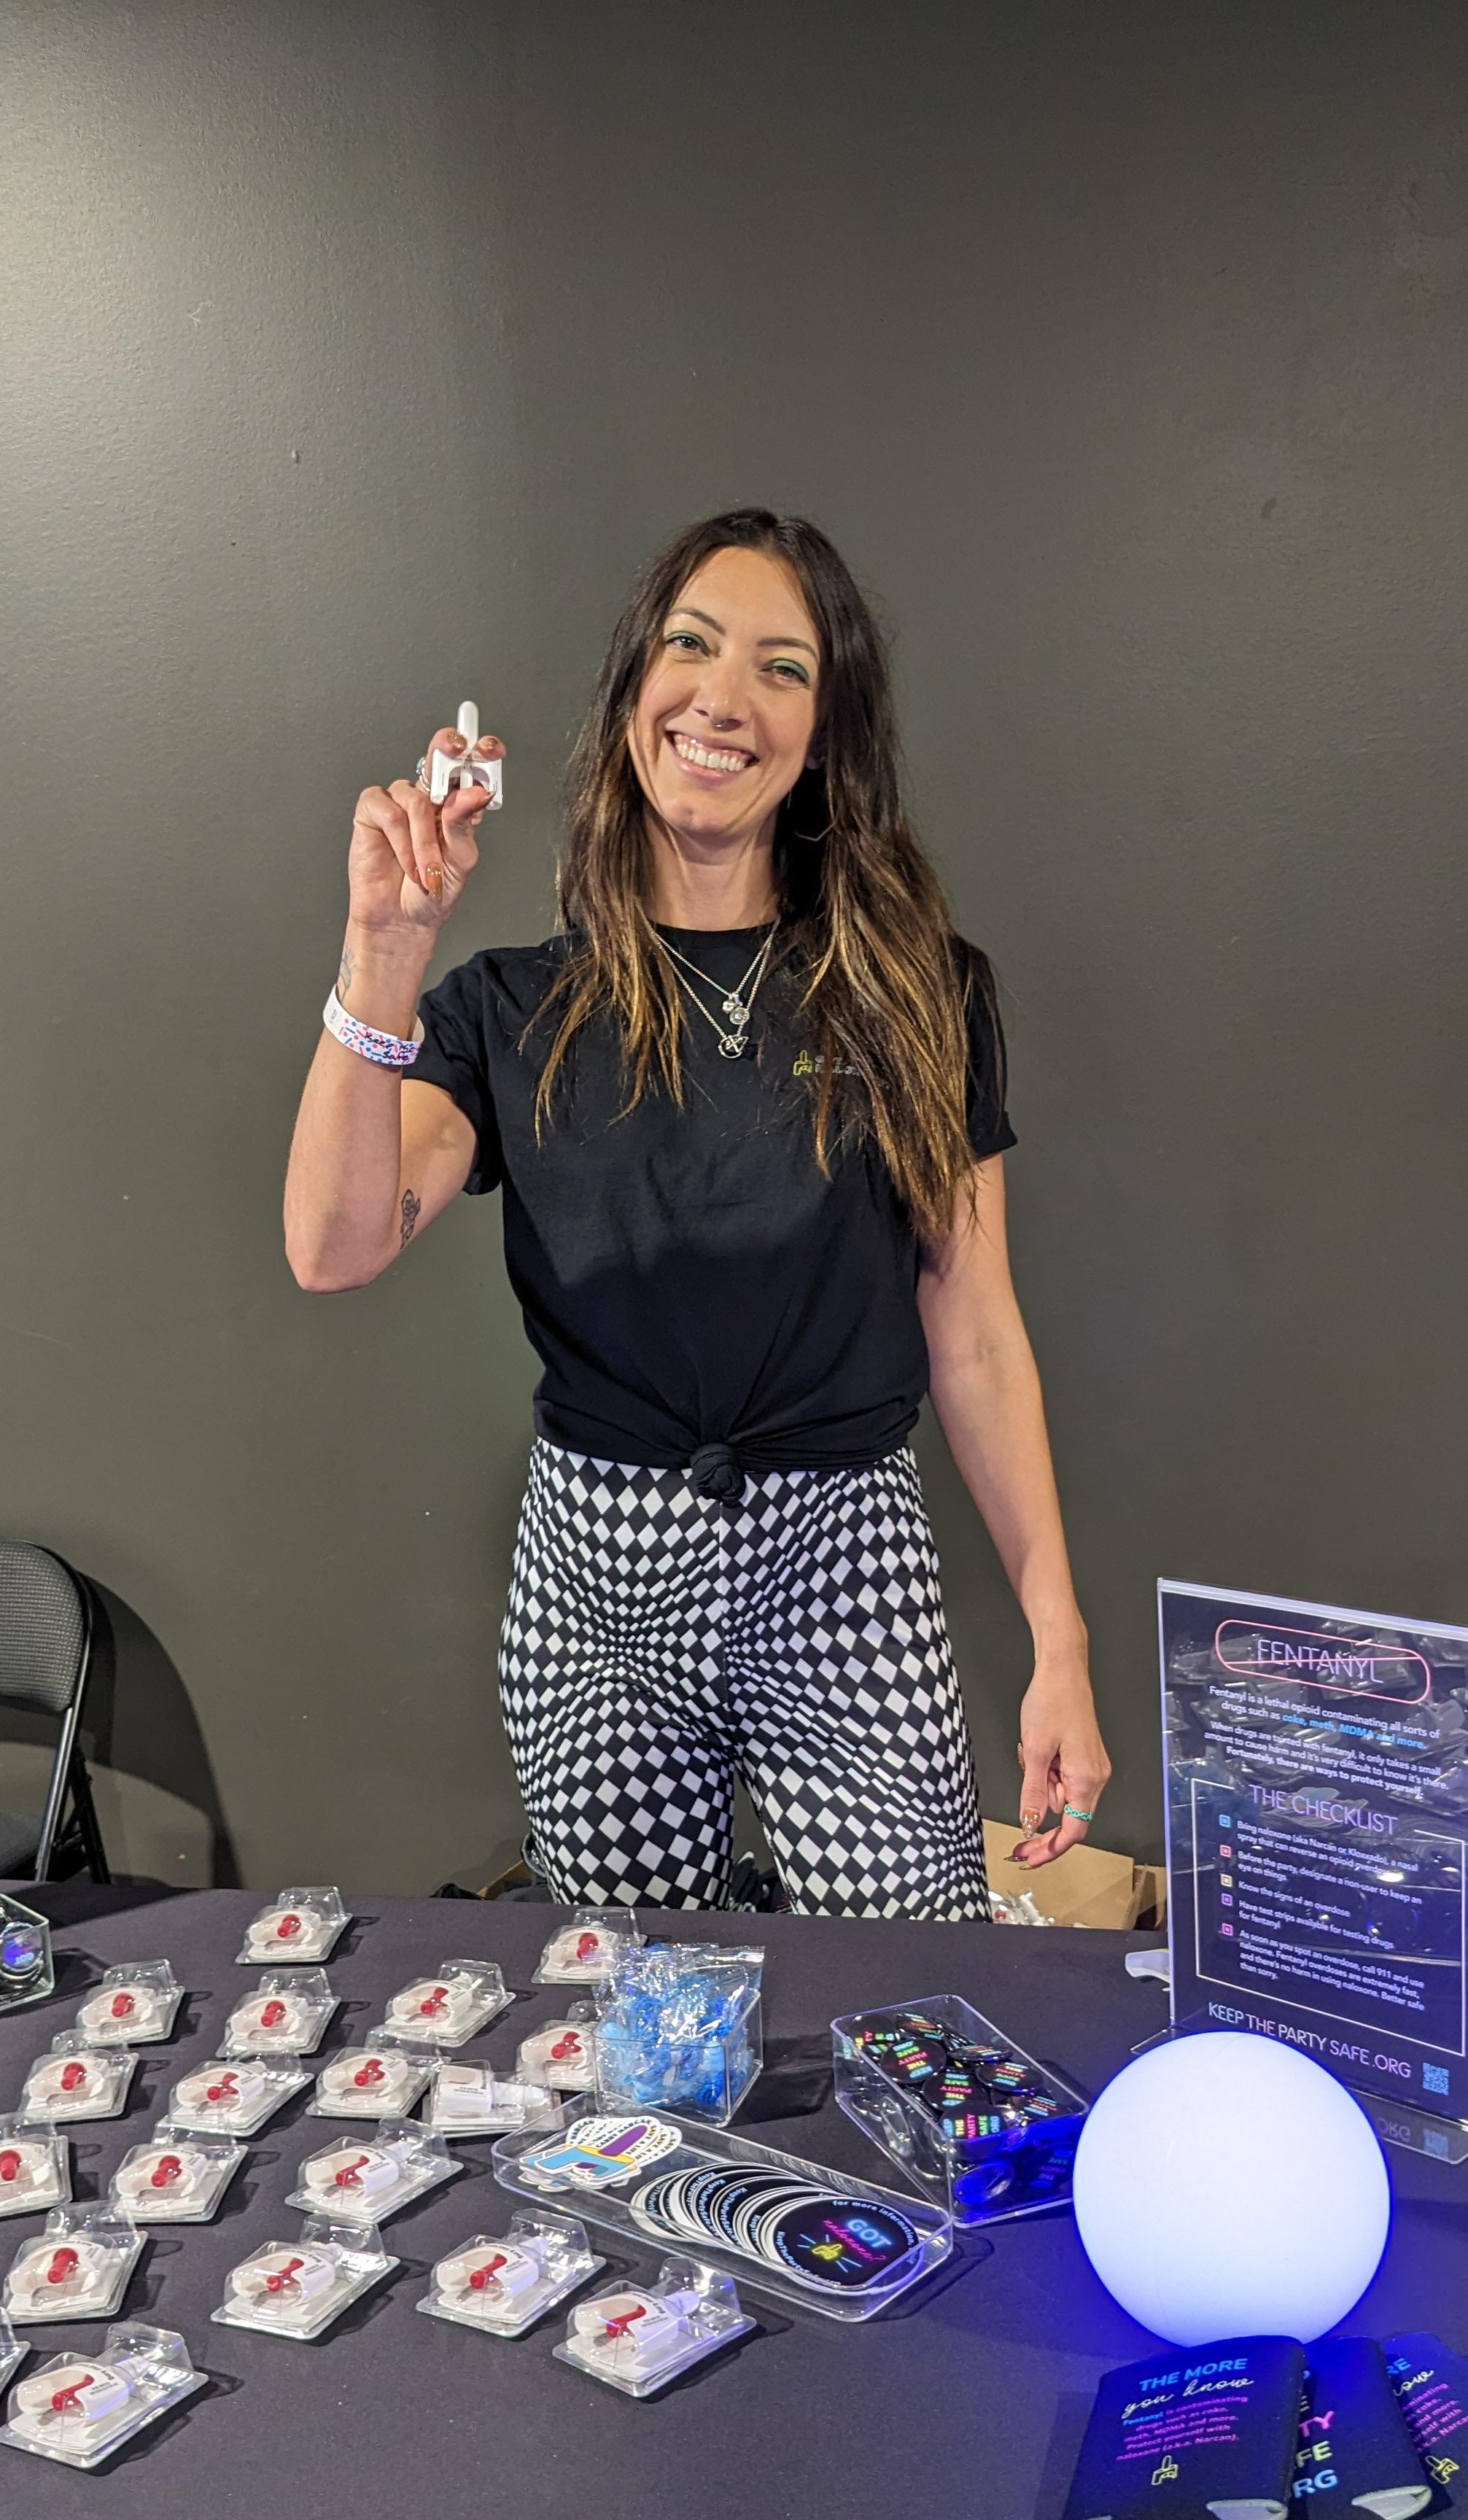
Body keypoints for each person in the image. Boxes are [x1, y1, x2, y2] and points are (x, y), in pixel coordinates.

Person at [284, 508, 1108, 1919]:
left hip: (846, 1561)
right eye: (691, 647)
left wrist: (1059, 1640)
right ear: (631, 697)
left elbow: (973, 1337)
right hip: (599, 1581)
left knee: (908, 1982)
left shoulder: (919, 990)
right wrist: (385, 956)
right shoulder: (508, 1007)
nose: (724, 698)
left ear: (825, 735)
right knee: (642, 2022)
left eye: (782, 669)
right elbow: (334, 1245)